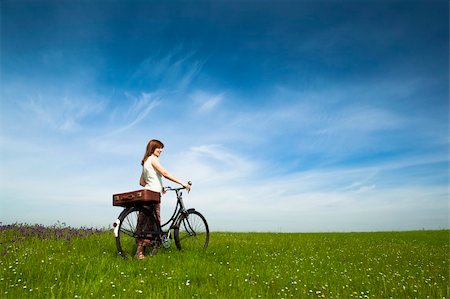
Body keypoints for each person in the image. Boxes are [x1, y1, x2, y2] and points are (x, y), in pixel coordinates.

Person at [135, 139, 191, 259]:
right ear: (153, 148)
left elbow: (142, 182)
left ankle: (139, 252)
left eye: (161, 148)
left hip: (147, 193)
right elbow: (165, 173)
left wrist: (161, 186)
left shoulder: (146, 161)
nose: (161, 150)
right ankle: (142, 253)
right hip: (153, 195)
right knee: (153, 223)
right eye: (159, 148)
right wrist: (183, 183)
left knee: (144, 222)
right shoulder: (153, 159)